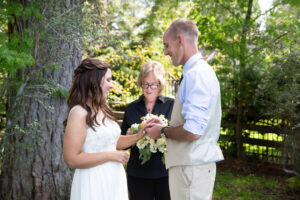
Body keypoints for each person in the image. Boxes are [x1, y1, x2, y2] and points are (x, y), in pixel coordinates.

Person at [146, 19, 224, 200]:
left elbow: (193, 131)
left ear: (180, 40)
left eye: (167, 45)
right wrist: (166, 125)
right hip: (192, 167)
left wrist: (163, 131)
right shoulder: (198, 72)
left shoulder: (196, 74)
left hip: (190, 169)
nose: (165, 52)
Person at [63, 58, 146, 200]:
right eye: (108, 80)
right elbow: (72, 159)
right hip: (92, 181)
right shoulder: (79, 112)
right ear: (93, 81)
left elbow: (110, 141)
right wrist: (110, 155)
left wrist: (139, 135)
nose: (111, 86)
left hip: (113, 179)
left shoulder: (102, 108)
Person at [121, 60, 174, 200]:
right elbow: (120, 144)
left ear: (160, 85)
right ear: (141, 84)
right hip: (138, 174)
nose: (149, 88)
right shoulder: (131, 108)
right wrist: (128, 136)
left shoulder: (171, 105)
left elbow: (177, 134)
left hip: (165, 173)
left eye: (154, 84)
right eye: (146, 84)